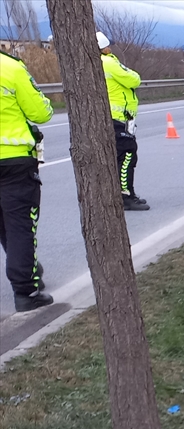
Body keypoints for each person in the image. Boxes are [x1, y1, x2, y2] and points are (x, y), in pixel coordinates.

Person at [0, 47, 54, 312]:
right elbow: (41, 112)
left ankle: (29, 267)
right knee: (20, 225)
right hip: (14, 160)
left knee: (4, 224)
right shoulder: (10, 68)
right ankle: (26, 291)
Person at [98, 31, 148, 211]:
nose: (110, 48)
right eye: (107, 45)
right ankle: (126, 196)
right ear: (104, 48)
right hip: (118, 118)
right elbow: (134, 79)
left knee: (118, 157)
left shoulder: (95, 64)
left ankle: (127, 193)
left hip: (109, 118)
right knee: (127, 155)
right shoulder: (109, 62)